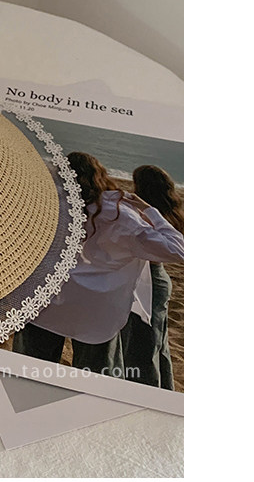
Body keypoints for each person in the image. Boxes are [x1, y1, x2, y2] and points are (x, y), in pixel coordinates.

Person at [13, 152, 184, 379]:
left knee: (30, 374)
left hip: (45, 302)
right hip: (95, 310)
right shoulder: (120, 216)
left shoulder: (44, 206)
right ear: (100, 176)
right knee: (95, 379)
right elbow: (178, 249)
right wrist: (149, 211)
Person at [120, 165, 184, 389]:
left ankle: (147, 392)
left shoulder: (147, 215)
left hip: (148, 279)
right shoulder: (171, 213)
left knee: (143, 344)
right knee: (158, 342)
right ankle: (164, 390)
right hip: (160, 278)